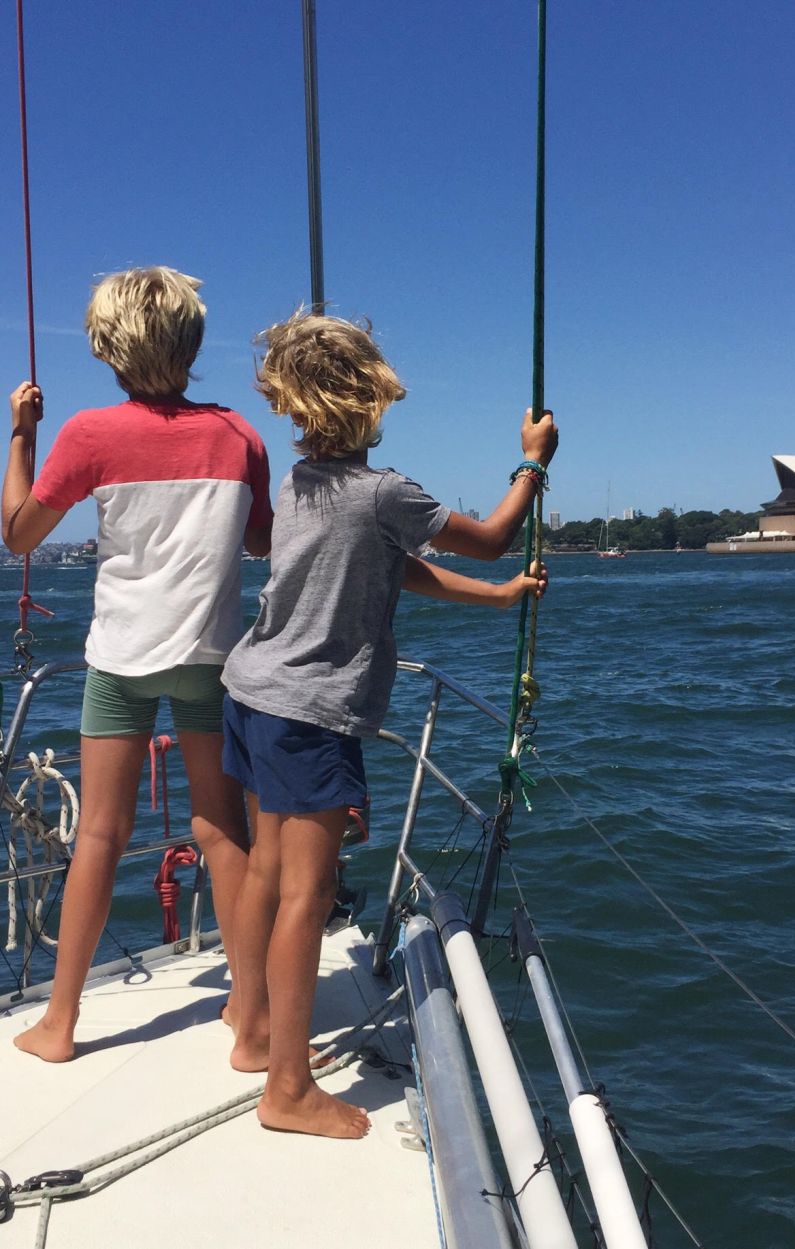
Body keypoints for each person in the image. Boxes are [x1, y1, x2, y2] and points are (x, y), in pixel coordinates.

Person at [221, 310, 558, 1139]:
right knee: (311, 892)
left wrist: (499, 597)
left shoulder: (305, 488)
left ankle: (252, 1025)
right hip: (309, 712)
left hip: (251, 690)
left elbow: (398, 570)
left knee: (269, 868)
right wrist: (532, 462)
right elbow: (488, 538)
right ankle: (288, 1090)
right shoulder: (383, 489)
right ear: (372, 398)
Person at [5, 266, 273, 1062]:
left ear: (107, 349)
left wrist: (20, 434)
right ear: (191, 343)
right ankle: (250, 1017)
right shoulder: (240, 436)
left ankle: (59, 1024)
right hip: (210, 655)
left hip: (121, 658)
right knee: (225, 832)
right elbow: (260, 542)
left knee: (99, 834)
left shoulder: (88, 434)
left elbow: (18, 534)